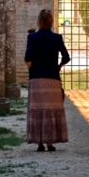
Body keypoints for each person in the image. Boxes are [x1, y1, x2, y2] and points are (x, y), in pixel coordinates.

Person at [24, 8, 70, 151]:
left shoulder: (32, 38)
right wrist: (58, 67)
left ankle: (39, 143)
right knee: (51, 110)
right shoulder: (57, 38)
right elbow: (66, 57)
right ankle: (50, 143)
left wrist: (32, 67)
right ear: (51, 22)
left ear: (39, 21)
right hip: (53, 79)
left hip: (37, 79)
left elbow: (28, 58)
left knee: (38, 110)